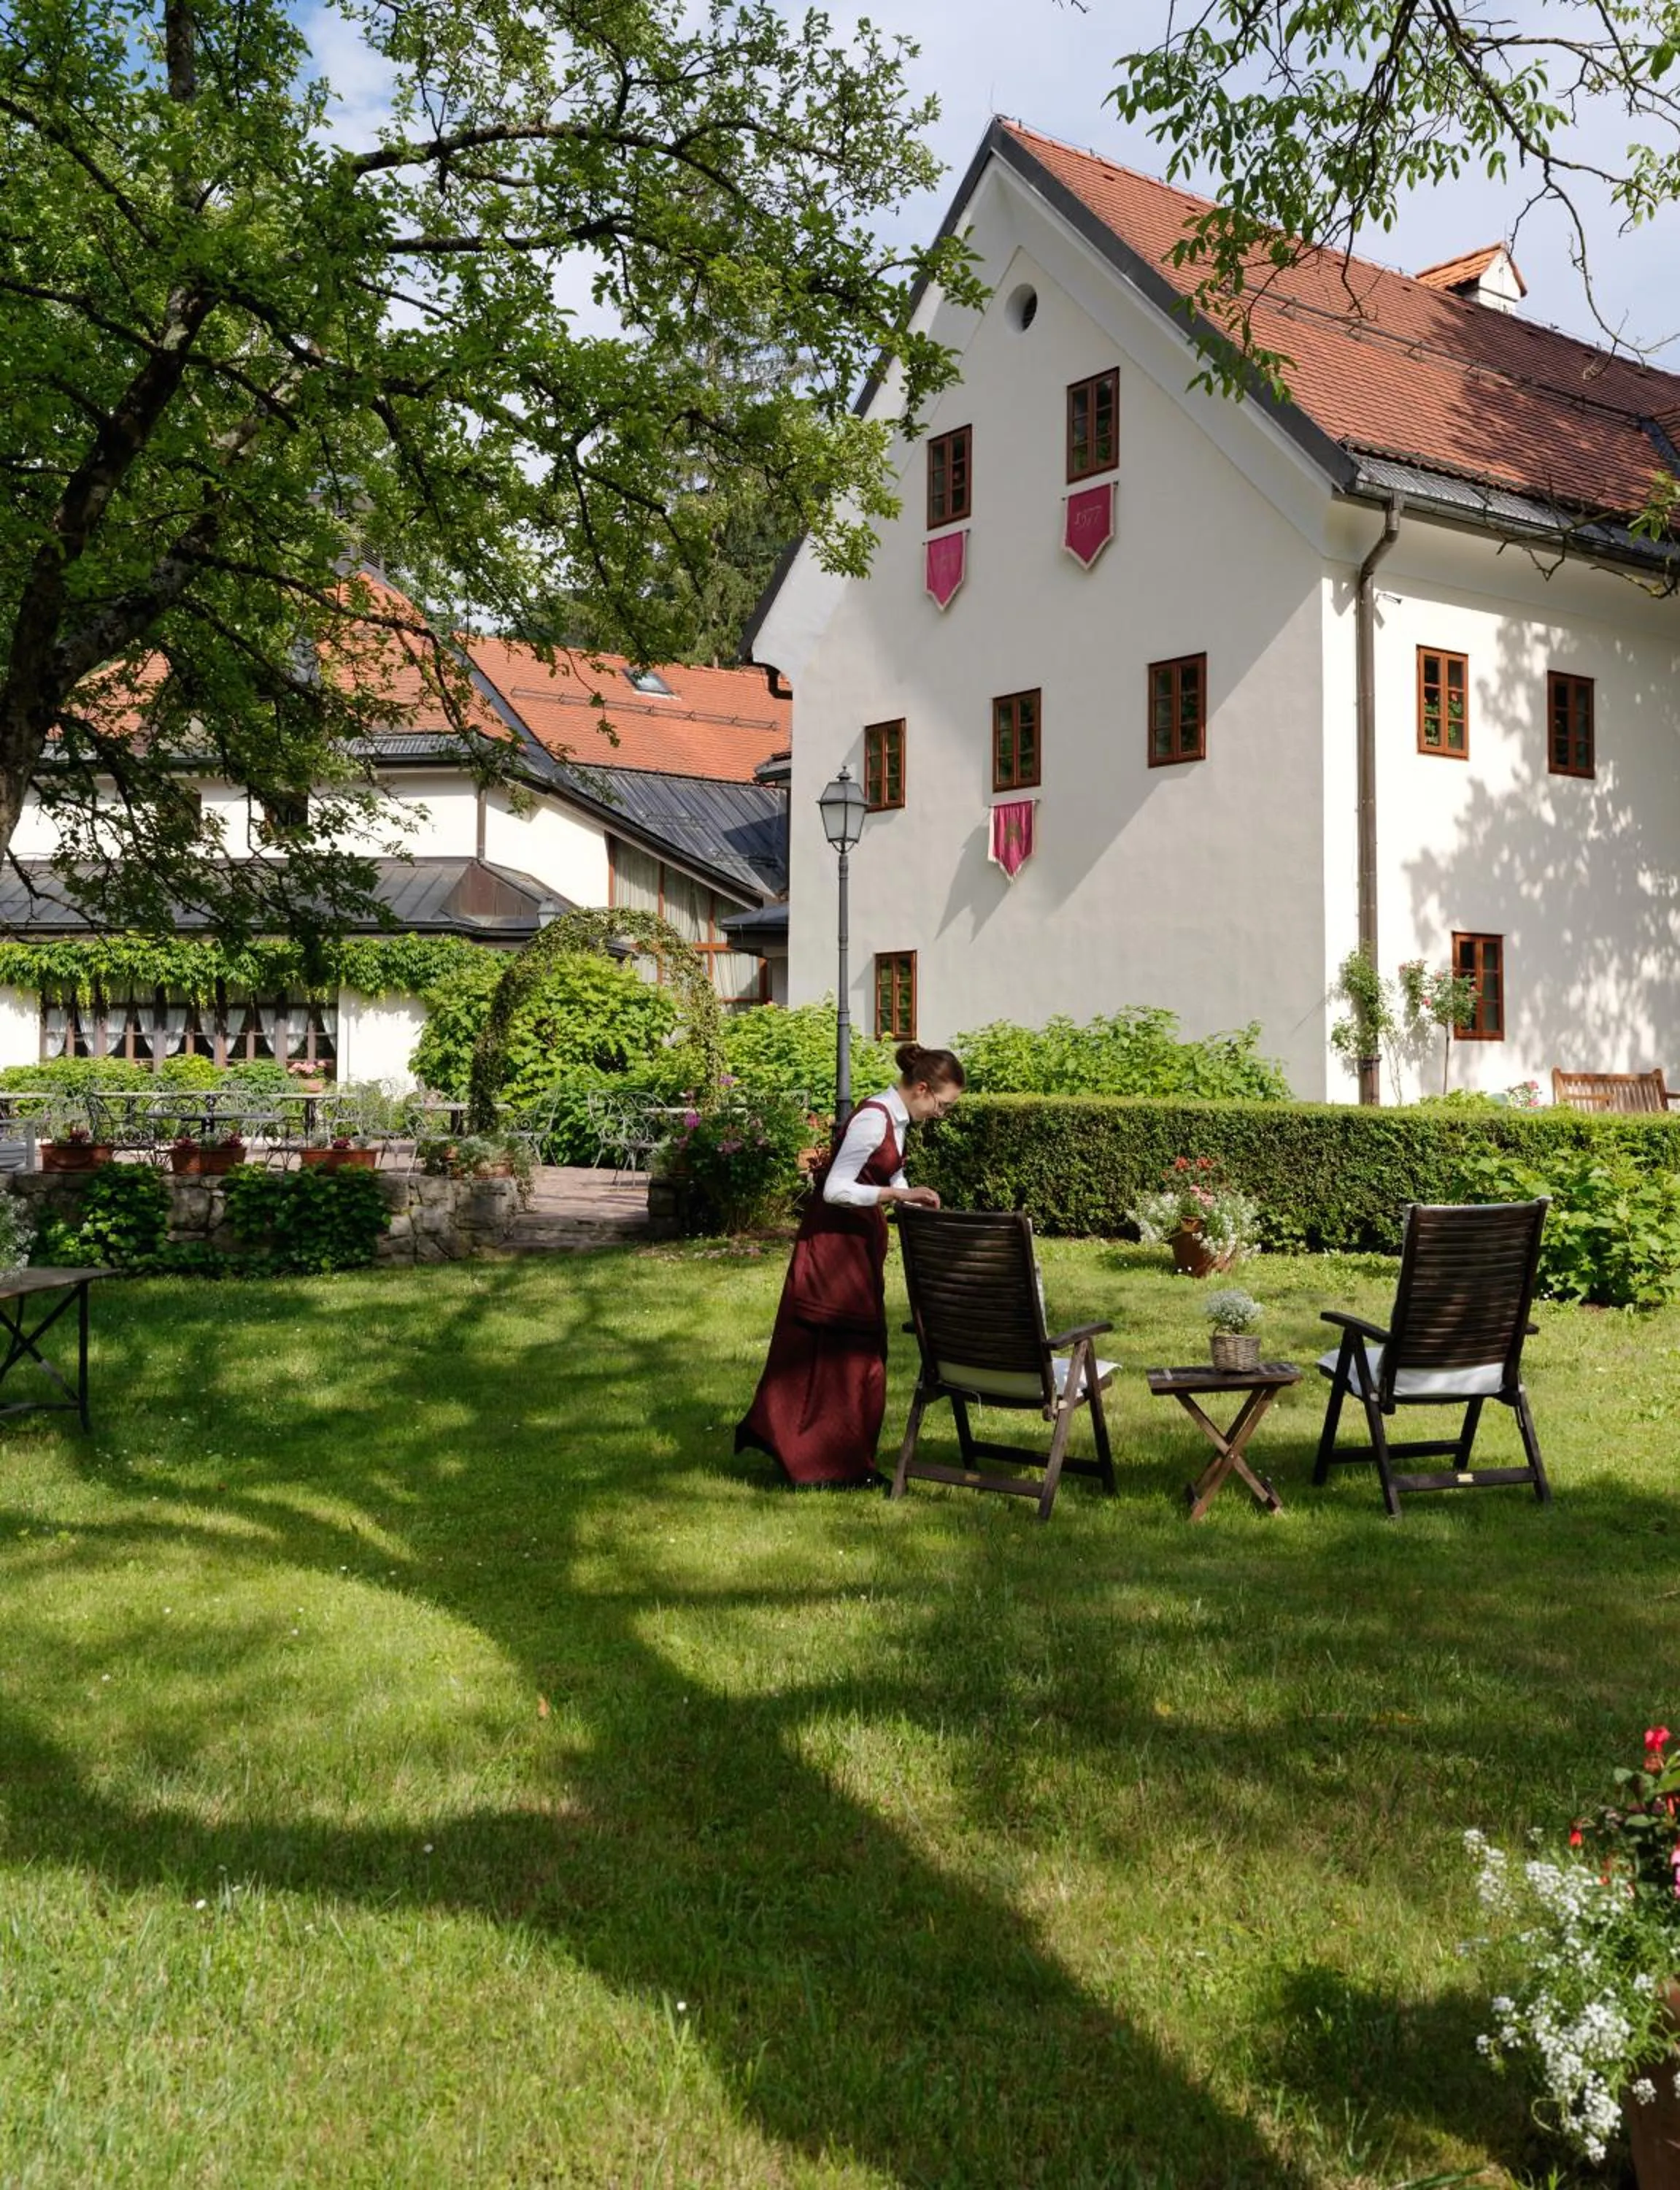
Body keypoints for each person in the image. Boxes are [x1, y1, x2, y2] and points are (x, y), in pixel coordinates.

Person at [736, 1042, 966, 1487]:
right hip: (833, 1251)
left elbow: (885, 1171)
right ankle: (826, 1462)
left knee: (860, 1354)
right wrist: (897, 1196)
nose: (943, 1113)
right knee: (844, 1354)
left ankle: (844, 1459)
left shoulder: (897, 1120)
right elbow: (835, 1189)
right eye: (944, 1104)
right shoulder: (872, 1119)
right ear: (922, 1089)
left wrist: (912, 1192)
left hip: (856, 1250)